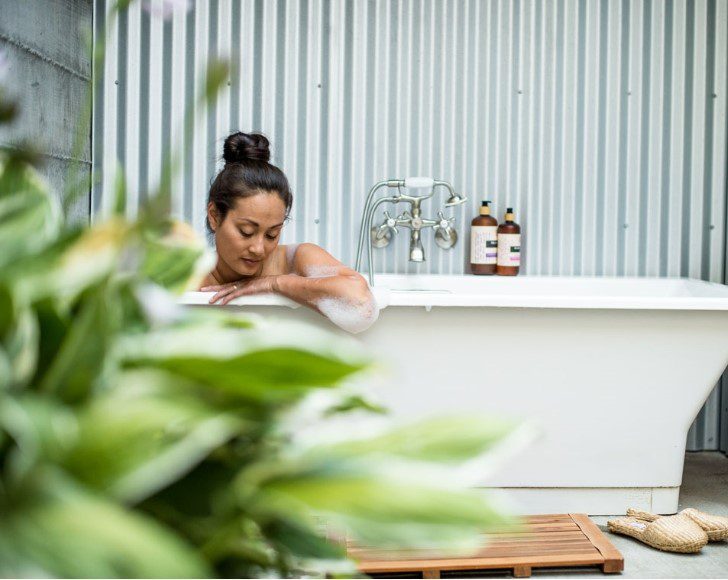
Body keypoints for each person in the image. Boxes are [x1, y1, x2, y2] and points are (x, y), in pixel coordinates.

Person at [199, 132, 378, 333]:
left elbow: (360, 302)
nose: (259, 249)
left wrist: (273, 284)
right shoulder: (188, 280)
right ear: (214, 216)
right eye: (246, 232)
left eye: (271, 235)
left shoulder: (295, 261)